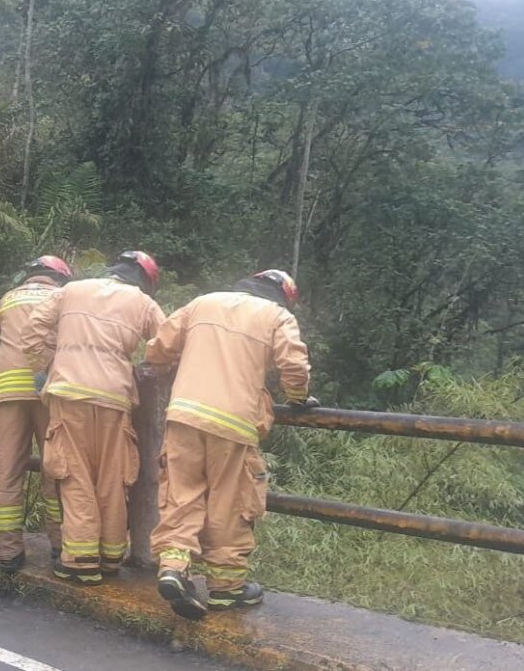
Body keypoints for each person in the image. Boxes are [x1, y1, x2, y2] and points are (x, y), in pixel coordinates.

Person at [146, 269, 315, 619]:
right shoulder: (277, 316)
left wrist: (160, 368)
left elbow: (160, 347)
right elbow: (294, 364)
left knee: (181, 495)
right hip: (234, 423)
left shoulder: (202, 302)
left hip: (184, 416)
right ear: (282, 295)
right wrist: (297, 397)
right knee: (229, 503)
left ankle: (174, 568)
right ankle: (225, 589)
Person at [21, 251, 166, 585]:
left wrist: (45, 365)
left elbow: (32, 330)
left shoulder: (71, 290)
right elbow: (166, 342)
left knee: (74, 474)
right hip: (115, 398)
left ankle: (82, 560)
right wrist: (152, 369)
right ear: (144, 279)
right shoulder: (142, 302)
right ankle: (110, 556)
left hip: (69, 394)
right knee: (113, 479)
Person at [0, 256, 74, 572]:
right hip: (47, 390)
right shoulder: (61, 298)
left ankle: (8, 553)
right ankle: (62, 546)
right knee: (57, 469)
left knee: (7, 471)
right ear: (59, 278)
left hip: (8, 393)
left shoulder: (6, 299)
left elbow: (0, 344)